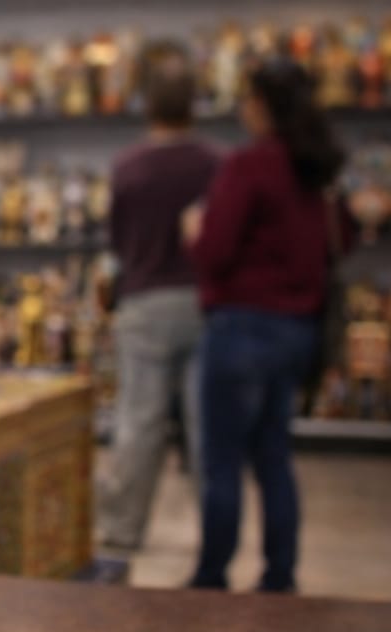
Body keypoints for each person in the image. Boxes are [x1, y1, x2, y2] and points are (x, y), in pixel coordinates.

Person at [185, 58, 347, 593]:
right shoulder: (313, 169)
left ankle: (212, 576)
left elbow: (214, 251)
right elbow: (335, 242)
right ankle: (280, 575)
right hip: (297, 330)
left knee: (222, 460)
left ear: (262, 105)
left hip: (241, 327)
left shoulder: (250, 165)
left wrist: (194, 230)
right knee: (274, 456)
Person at [91, 42, 220, 583]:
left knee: (138, 423)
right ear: (194, 105)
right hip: (204, 305)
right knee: (206, 426)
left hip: (143, 303)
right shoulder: (215, 163)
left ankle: (121, 535)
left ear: (147, 106)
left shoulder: (128, 166)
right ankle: (217, 535)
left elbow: (116, 245)